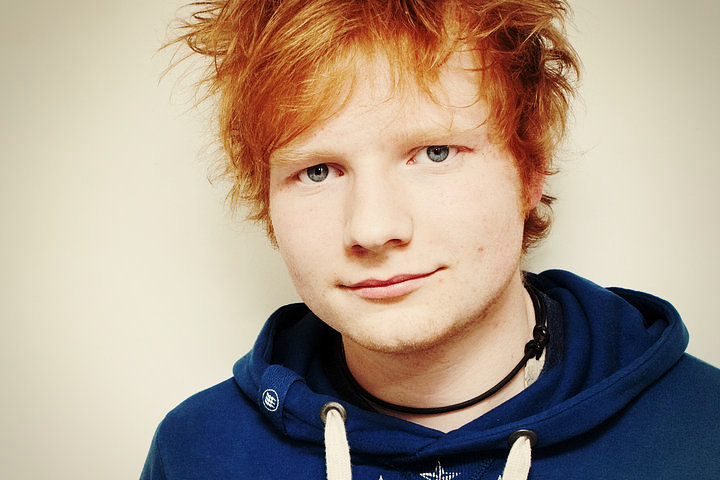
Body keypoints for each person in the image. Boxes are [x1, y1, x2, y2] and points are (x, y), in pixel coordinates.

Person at [141, 1, 720, 479]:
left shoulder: (703, 432)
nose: (371, 229)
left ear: (531, 167)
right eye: (317, 171)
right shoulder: (196, 452)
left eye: (435, 153)